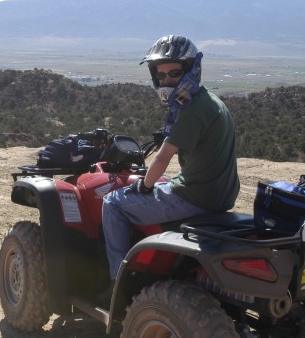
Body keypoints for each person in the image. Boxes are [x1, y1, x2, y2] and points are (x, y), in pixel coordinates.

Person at [101, 34, 240, 282]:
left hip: (197, 197)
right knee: (164, 181)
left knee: (113, 203)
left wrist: (145, 186)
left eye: (174, 73)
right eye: (161, 75)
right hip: (221, 195)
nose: (166, 81)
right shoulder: (211, 101)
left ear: (190, 70)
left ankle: (117, 279)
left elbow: (163, 157)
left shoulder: (193, 110)